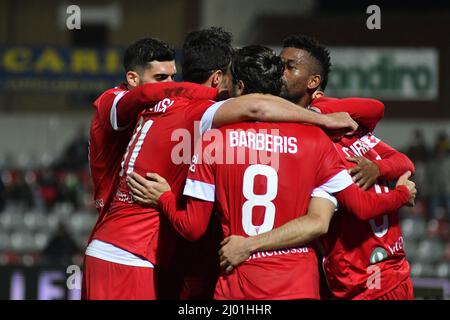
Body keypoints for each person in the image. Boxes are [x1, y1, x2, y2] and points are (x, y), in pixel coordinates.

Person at [83, 29, 358, 300]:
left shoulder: (202, 132)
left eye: (171, 77)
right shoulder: (192, 117)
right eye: (160, 78)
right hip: (138, 255)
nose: (163, 85)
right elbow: (257, 107)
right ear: (219, 78)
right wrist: (323, 118)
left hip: (145, 255)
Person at [129, 45, 415, 300]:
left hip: (239, 281)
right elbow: (321, 222)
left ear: (239, 86)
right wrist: (401, 192)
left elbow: (193, 227)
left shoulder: (214, 141)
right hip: (298, 284)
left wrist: (164, 197)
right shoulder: (317, 139)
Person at [219, 35, 417, 300]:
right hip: (363, 276)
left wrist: (380, 171)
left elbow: (399, 161)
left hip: (371, 279)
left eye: (289, 67)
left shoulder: (336, 134)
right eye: (279, 64)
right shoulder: (327, 129)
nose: (280, 71)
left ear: (313, 84)